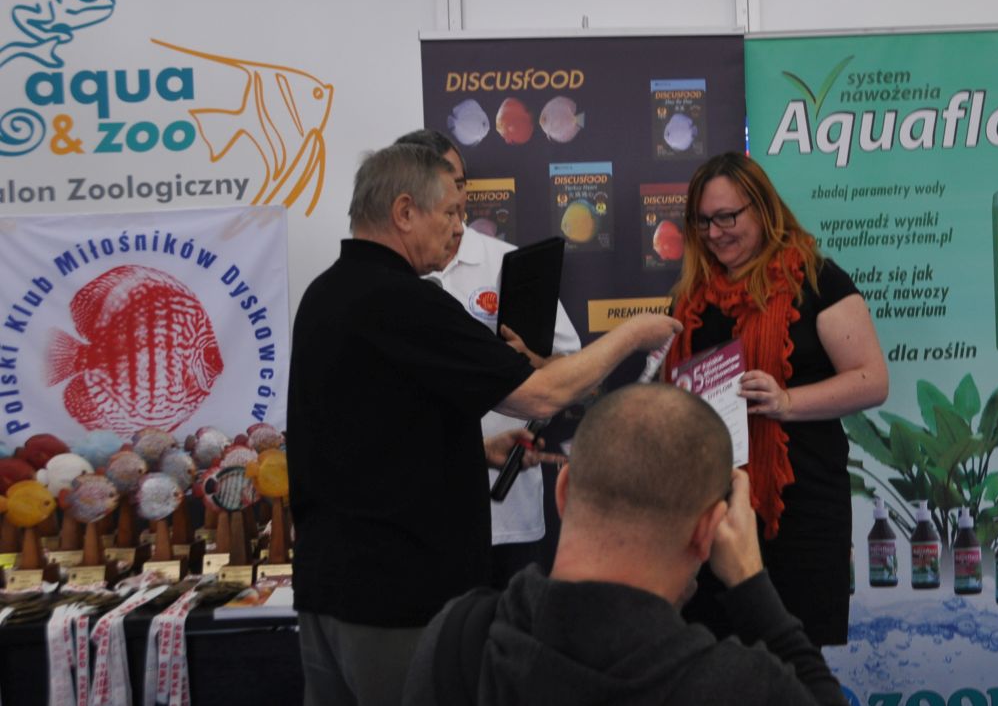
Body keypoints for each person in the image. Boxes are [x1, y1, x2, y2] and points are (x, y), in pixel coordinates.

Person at [289, 142, 679, 706]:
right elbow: (544, 392)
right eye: (449, 212)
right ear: (404, 212)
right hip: (394, 604)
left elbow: (361, 438)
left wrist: (470, 452)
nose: (458, 228)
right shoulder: (405, 302)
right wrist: (634, 333)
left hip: (325, 597)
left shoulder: (325, 294)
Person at [403, 384, 847, 706]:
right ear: (708, 531)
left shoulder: (458, 639)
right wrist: (751, 585)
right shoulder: (741, 686)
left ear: (564, 490)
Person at [664, 152, 888, 647]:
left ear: (763, 209)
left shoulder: (817, 280)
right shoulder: (690, 299)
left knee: (793, 658)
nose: (715, 232)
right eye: (702, 221)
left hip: (800, 507)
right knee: (714, 657)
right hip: (711, 513)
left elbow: (872, 380)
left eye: (727, 217)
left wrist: (786, 401)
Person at [396, 128, 580, 586]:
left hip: (508, 516)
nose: (456, 195)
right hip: (416, 520)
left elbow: (573, 371)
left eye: (460, 181)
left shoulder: (506, 263)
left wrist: (530, 364)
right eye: (443, 184)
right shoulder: (389, 279)